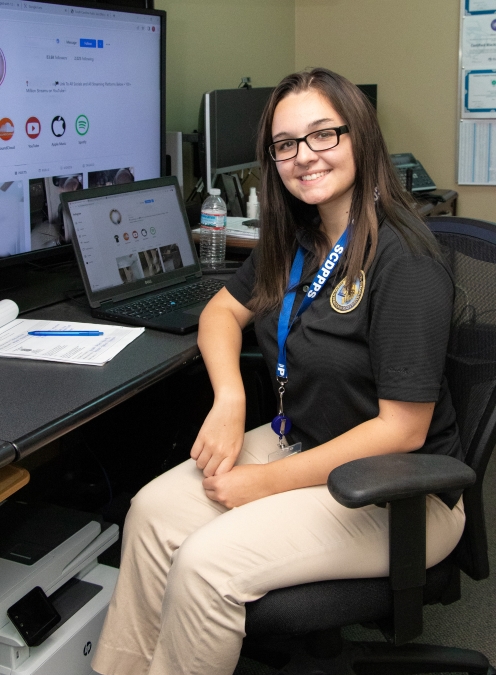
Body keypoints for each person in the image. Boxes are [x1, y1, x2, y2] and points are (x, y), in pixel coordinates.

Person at [92, 68, 466, 675]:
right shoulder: (301, 237)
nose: (304, 157)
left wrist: (264, 483)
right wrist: (230, 398)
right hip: (305, 441)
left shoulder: (406, 259)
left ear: (360, 137)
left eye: (323, 135)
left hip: (400, 490)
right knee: (152, 511)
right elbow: (220, 311)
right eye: (286, 144)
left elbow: (402, 431)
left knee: (207, 563)